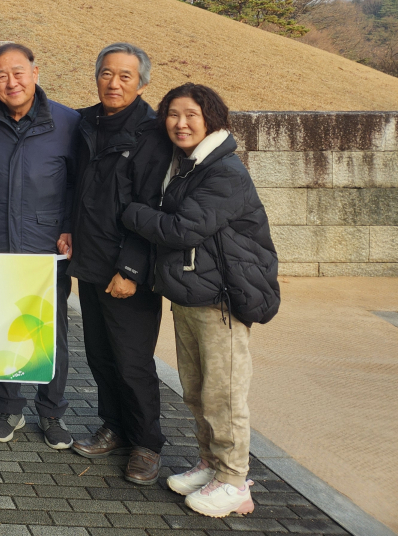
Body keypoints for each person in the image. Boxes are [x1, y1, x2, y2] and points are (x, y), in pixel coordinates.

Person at [121, 83, 280, 518]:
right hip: (193, 294)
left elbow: (181, 230)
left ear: (210, 117)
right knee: (196, 391)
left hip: (221, 300)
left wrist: (132, 212)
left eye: (190, 114)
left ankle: (234, 481)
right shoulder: (189, 165)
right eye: (172, 114)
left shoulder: (224, 171)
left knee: (223, 395)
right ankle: (211, 464)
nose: (180, 123)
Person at [0, 43, 78, 450]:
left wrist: (69, 227)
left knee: (51, 334)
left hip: (45, 246)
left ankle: (52, 412)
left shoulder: (67, 121)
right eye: (1, 75)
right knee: (2, 329)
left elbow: (78, 185)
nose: (11, 82)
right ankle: (8, 409)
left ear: (35, 71)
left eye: (18, 72)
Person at [65, 44, 166, 485]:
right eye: (107, 73)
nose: (114, 82)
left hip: (128, 269)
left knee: (133, 361)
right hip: (90, 258)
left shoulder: (152, 132)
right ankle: (114, 426)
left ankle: (146, 443)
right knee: (100, 354)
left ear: (142, 83)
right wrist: (69, 227)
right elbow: (77, 187)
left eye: (126, 76)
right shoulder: (86, 122)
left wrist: (130, 269)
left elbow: (152, 206)